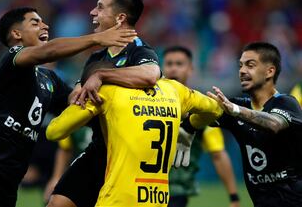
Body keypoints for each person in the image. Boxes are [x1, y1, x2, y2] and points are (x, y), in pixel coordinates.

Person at [0, 7, 136, 207]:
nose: (45, 25)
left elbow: (78, 105)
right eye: (35, 22)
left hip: (9, 176)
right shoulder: (11, 60)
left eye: (43, 22)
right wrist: (97, 38)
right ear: (16, 34)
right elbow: (49, 51)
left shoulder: (49, 80)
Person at [46, 62, 223, 207]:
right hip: (158, 199)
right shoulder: (175, 90)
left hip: (118, 198)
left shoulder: (108, 92)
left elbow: (54, 132)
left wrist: (78, 98)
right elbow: (216, 110)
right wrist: (190, 127)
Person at [46, 0, 161, 207]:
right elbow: (76, 97)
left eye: (100, 7)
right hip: (99, 148)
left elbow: (150, 75)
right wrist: (78, 96)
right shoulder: (96, 57)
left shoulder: (140, 51)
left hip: (127, 154)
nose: (92, 12)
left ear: (120, 17)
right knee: (57, 203)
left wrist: (101, 76)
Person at [190, 42, 302, 207]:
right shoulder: (237, 106)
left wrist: (235, 110)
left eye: (250, 65)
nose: (242, 71)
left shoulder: (286, 103)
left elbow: (273, 124)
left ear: (270, 71)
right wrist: (188, 127)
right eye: (240, 65)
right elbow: (205, 112)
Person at [162, 46, 240, 207]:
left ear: (191, 69)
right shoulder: (149, 99)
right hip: (143, 185)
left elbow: (218, 154)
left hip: (176, 191)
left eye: (179, 64)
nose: (173, 68)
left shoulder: (203, 109)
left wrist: (233, 197)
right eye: (169, 63)